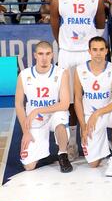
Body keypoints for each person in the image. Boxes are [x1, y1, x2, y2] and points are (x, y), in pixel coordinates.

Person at [50, 0, 106, 160]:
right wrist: (65, 45)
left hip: (87, 54)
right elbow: (55, 27)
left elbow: (100, 25)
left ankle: (93, 139)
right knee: (69, 100)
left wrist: (89, 47)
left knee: (92, 96)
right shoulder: (59, 0)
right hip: (67, 54)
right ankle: (72, 142)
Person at [15, 41, 73, 173]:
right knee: (29, 166)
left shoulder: (61, 73)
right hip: (35, 119)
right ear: (35, 55)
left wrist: (38, 110)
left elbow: (64, 104)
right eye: (40, 54)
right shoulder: (24, 75)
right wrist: (26, 132)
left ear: (52, 55)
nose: (44, 58)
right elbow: (18, 104)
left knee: (61, 119)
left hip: (54, 114)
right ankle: (41, 150)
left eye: (47, 54)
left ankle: (63, 154)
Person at [74, 36, 112, 176]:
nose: (98, 53)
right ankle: (106, 144)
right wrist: (83, 126)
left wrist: (98, 113)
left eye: (101, 49)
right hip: (89, 116)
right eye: (94, 50)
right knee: (93, 164)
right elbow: (77, 99)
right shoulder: (79, 70)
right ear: (89, 51)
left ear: (106, 51)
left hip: (107, 112)